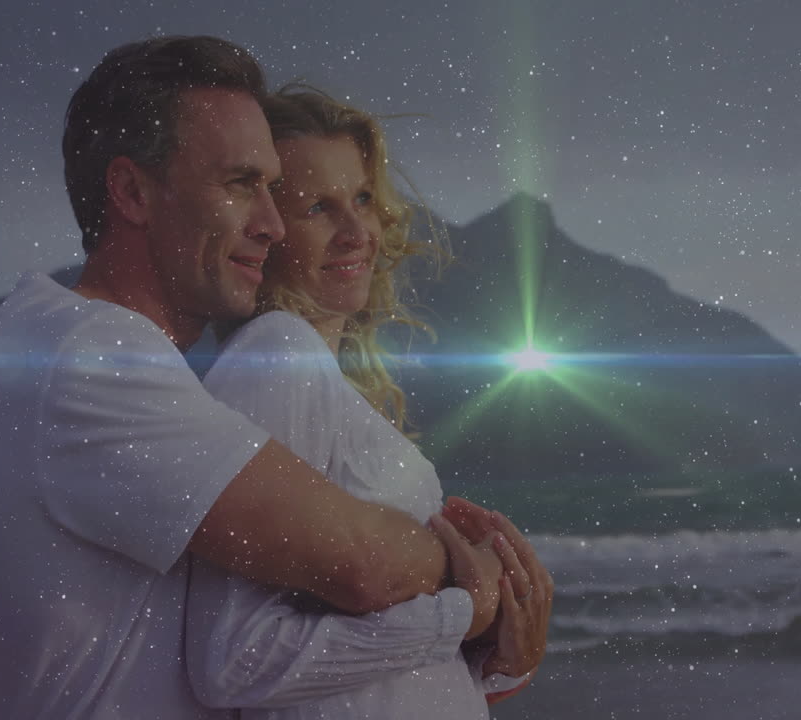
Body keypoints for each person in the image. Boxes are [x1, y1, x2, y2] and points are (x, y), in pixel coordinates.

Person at [0, 36, 511, 719]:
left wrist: (490, 651)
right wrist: (477, 587)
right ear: (132, 191)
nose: (269, 223)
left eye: (272, 190)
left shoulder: (79, 351)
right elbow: (355, 567)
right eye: (241, 185)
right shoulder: (90, 357)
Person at [184, 85, 551, 719]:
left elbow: (377, 667)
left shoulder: (317, 377)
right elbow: (236, 660)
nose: (357, 231)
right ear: (265, 228)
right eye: (317, 207)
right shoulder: (278, 356)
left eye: (361, 198)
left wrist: (496, 656)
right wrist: (465, 610)